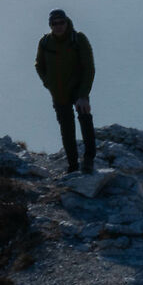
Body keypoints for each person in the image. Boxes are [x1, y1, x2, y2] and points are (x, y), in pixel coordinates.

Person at [35, 9, 97, 173]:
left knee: (84, 116)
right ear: (51, 25)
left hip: (77, 88)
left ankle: (89, 159)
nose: (59, 26)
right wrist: (48, 83)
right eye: (54, 23)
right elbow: (39, 65)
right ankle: (73, 165)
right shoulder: (45, 42)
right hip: (58, 92)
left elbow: (89, 68)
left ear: (67, 22)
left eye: (61, 22)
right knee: (66, 128)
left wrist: (83, 94)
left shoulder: (78, 39)